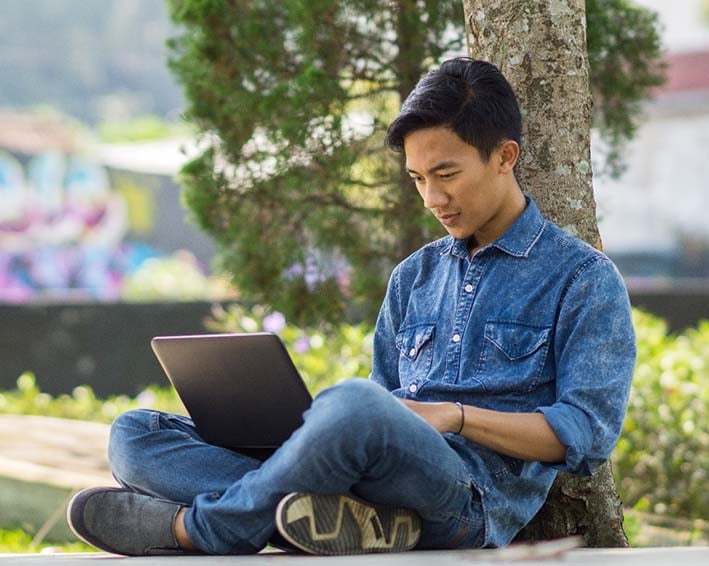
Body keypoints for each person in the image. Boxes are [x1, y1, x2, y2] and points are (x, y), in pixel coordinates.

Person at [65, 57, 636, 556]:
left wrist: (454, 416)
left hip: (466, 498)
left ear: (504, 156)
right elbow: (380, 409)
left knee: (355, 404)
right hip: (374, 489)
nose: (433, 198)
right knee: (135, 434)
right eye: (417, 178)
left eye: (447, 175)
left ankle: (205, 529)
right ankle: (325, 516)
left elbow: (585, 433)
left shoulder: (581, 278)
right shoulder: (414, 277)